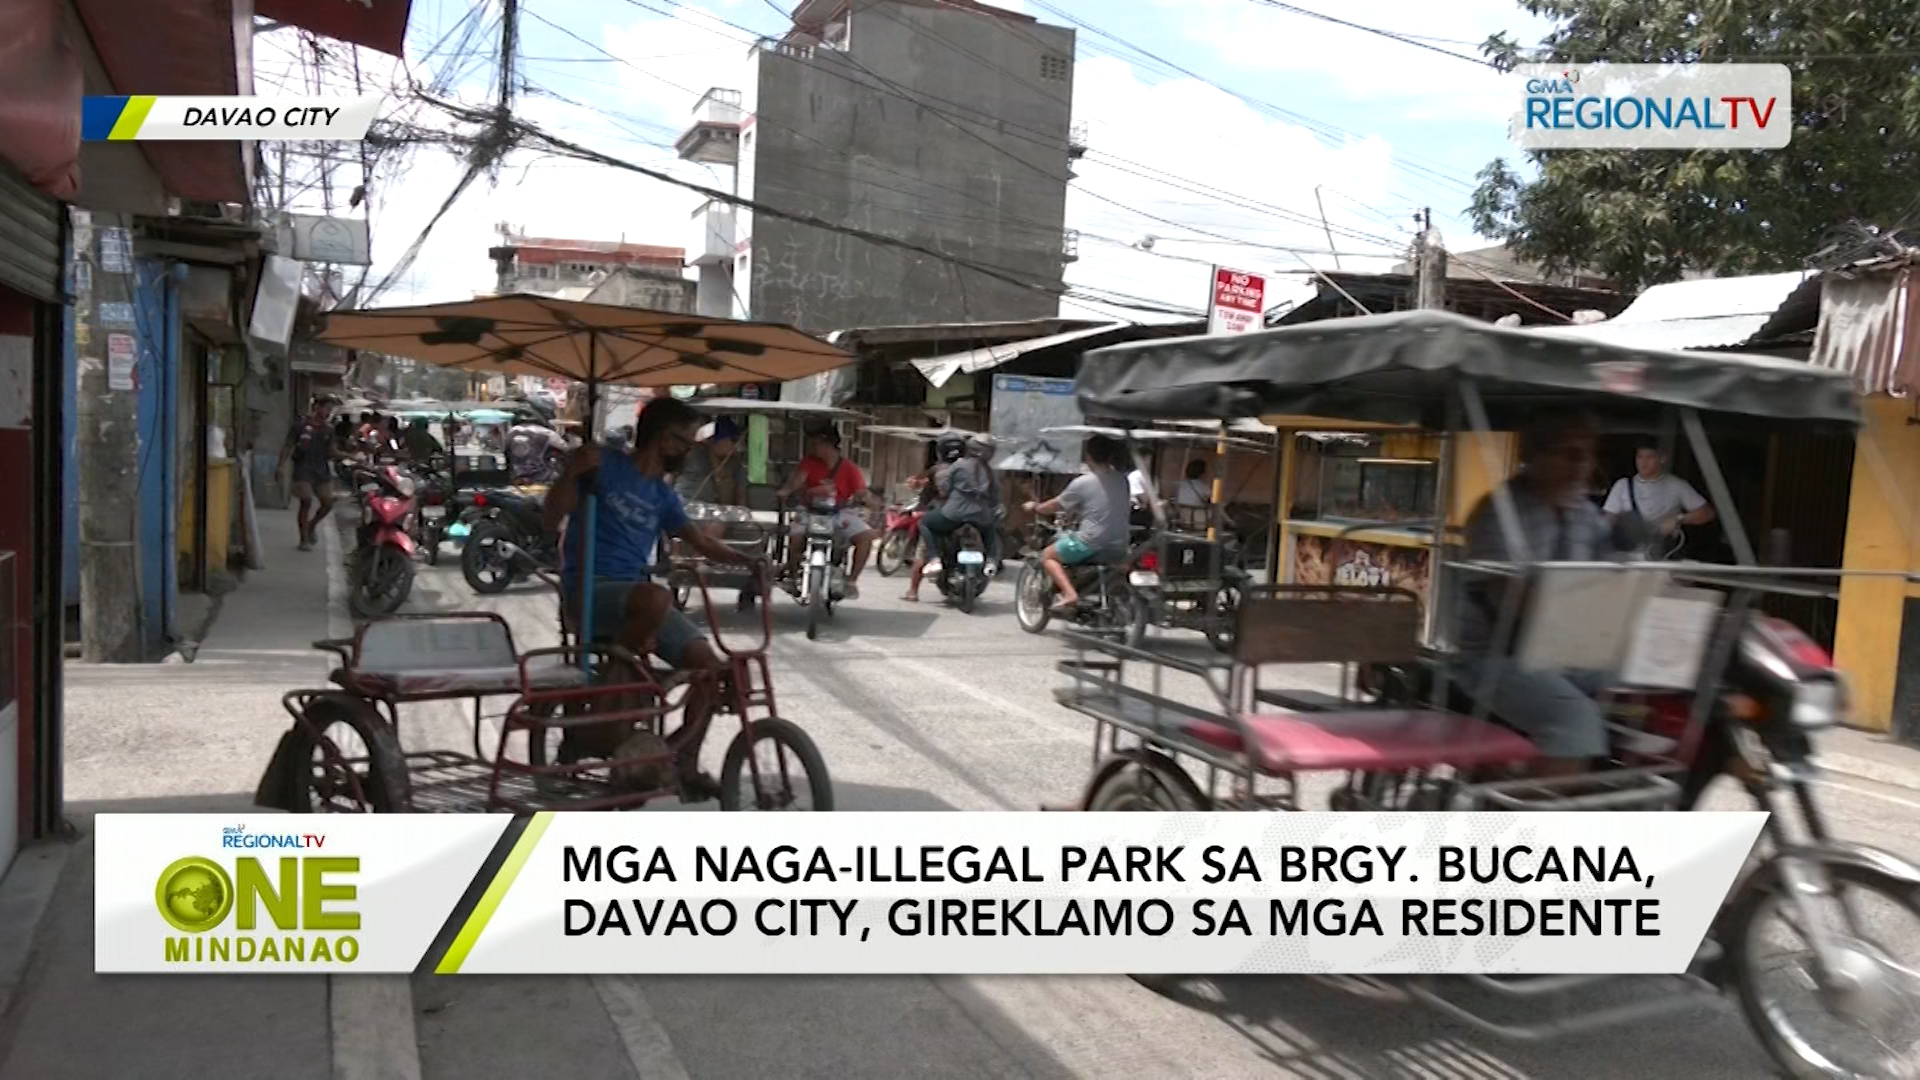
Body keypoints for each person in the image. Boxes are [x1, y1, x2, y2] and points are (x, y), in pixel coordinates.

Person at [540, 396, 760, 798]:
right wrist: (572, 473)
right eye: (686, 440)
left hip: (635, 600)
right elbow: (551, 517)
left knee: (711, 670)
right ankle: (615, 679)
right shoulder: (603, 464)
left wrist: (750, 562)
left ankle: (684, 761)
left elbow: (699, 543)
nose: (690, 448)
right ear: (663, 438)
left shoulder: (663, 497)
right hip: (588, 591)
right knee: (657, 598)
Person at [1453, 414, 1632, 777]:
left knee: (1652, 695)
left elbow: (1613, 573)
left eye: (1586, 455)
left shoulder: (1586, 514)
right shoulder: (1500, 512)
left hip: (1569, 652)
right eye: (1570, 454)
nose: (1581, 466)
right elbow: (1508, 598)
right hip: (1498, 655)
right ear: (1535, 455)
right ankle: (1541, 821)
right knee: (1574, 719)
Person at [1022, 434, 1131, 615]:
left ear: (1087, 456)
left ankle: (1070, 593)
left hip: (1090, 542)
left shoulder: (1082, 482)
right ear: (1111, 456)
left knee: (1048, 556)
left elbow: (1056, 505)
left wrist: (1037, 507)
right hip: (1120, 544)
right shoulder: (1122, 479)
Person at [777, 427, 879, 598]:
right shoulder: (808, 463)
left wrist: (871, 501)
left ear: (828, 445)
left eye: (816, 443)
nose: (813, 447)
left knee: (866, 537)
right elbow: (795, 483)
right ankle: (793, 576)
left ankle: (851, 581)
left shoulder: (849, 467)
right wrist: (789, 491)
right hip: (809, 511)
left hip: (838, 512)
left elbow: (861, 491)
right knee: (795, 537)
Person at [902, 434, 998, 602]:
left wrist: (923, 506)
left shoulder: (945, 468)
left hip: (951, 513)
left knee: (925, 528)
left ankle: (916, 585)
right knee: (990, 530)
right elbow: (995, 497)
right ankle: (992, 560)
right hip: (981, 516)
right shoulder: (989, 471)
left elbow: (939, 491)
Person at [675, 417, 757, 611]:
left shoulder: (735, 465)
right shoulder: (692, 454)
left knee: (718, 524)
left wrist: (742, 513)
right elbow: (672, 476)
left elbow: (739, 493)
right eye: (731, 441)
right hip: (685, 503)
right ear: (719, 440)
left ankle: (698, 561)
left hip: (715, 509)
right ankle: (678, 567)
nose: (735, 446)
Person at [1602, 444, 1715, 558]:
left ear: (1662, 459)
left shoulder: (1677, 485)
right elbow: (1608, 519)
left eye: (1650, 457)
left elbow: (1706, 513)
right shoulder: (1622, 485)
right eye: (1640, 457)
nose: (1643, 462)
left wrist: (1678, 519)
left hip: (1661, 553)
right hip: (1628, 554)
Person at [279, 395, 340, 551]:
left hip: (321, 469)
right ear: (317, 407)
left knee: (327, 503)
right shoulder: (300, 425)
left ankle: (312, 525)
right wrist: (280, 466)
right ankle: (303, 538)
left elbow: (332, 450)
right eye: (326, 408)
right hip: (303, 469)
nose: (328, 412)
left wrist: (348, 455)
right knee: (306, 501)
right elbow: (288, 445)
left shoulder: (329, 429)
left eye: (331, 410)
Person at [508, 416, 567, 485]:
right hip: (542, 474)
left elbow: (503, 448)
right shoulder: (546, 432)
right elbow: (564, 447)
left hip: (516, 472)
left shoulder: (511, 431)